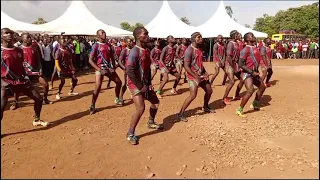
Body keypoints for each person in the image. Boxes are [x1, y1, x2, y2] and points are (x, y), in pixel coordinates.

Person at [1, 28, 49, 126]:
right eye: (6, 33)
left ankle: (37, 120)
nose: (9, 34)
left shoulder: (19, 50)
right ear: (1, 36)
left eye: (11, 33)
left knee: (38, 98)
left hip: (21, 80)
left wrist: (25, 77)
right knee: (1, 107)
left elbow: (21, 65)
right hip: (5, 82)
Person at [126, 27, 162, 145]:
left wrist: (149, 84)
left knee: (155, 102)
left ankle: (150, 122)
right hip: (134, 84)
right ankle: (130, 133)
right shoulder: (134, 51)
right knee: (140, 108)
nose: (147, 36)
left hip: (144, 84)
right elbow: (129, 71)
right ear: (138, 37)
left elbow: (147, 70)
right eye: (145, 34)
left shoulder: (146, 50)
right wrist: (141, 86)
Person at [177, 32, 215, 122]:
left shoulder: (199, 49)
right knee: (193, 95)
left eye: (201, 36)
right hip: (192, 76)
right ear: (194, 39)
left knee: (209, 90)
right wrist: (196, 76)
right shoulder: (189, 50)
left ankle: (206, 107)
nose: (201, 38)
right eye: (199, 37)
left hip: (200, 75)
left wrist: (205, 72)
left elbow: (200, 64)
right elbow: (186, 66)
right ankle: (180, 113)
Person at [88, 29, 123, 115]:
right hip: (100, 69)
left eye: (104, 32)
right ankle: (92, 105)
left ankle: (117, 98)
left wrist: (113, 67)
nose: (104, 34)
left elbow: (112, 58)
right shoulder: (96, 46)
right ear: (98, 36)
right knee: (98, 87)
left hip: (108, 68)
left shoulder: (109, 46)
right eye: (102, 33)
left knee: (119, 82)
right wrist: (99, 70)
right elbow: (90, 60)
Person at [236, 32, 266, 117]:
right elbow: (241, 64)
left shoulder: (255, 48)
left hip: (254, 73)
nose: (254, 37)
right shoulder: (245, 50)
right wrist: (252, 72)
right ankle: (239, 109)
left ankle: (254, 104)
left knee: (262, 87)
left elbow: (258, 60)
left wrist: (261, 67)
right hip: (247, 74)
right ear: (248, 39)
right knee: (250, 90)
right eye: (252, 36)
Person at [222, 30, 241, 105]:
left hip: (235, 64)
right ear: (233, 35)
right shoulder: (230, 44)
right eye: (237, 34)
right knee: (232, 81)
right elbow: (229, 56)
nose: (238, 35)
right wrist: (233, 67)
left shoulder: (236, 43)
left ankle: (236, 95)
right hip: (229, 65)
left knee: (242, 79)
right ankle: (224, 98)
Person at [118, 37, 134, 104]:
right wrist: (125, 68)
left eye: (131, 41)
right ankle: (120, 97)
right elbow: (119, 61)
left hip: (134, 69)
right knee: (126, 84)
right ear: (126, 43)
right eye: (129, 41)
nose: (130, 42)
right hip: (127, 70)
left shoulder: (134, 50)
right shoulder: (124, 51)